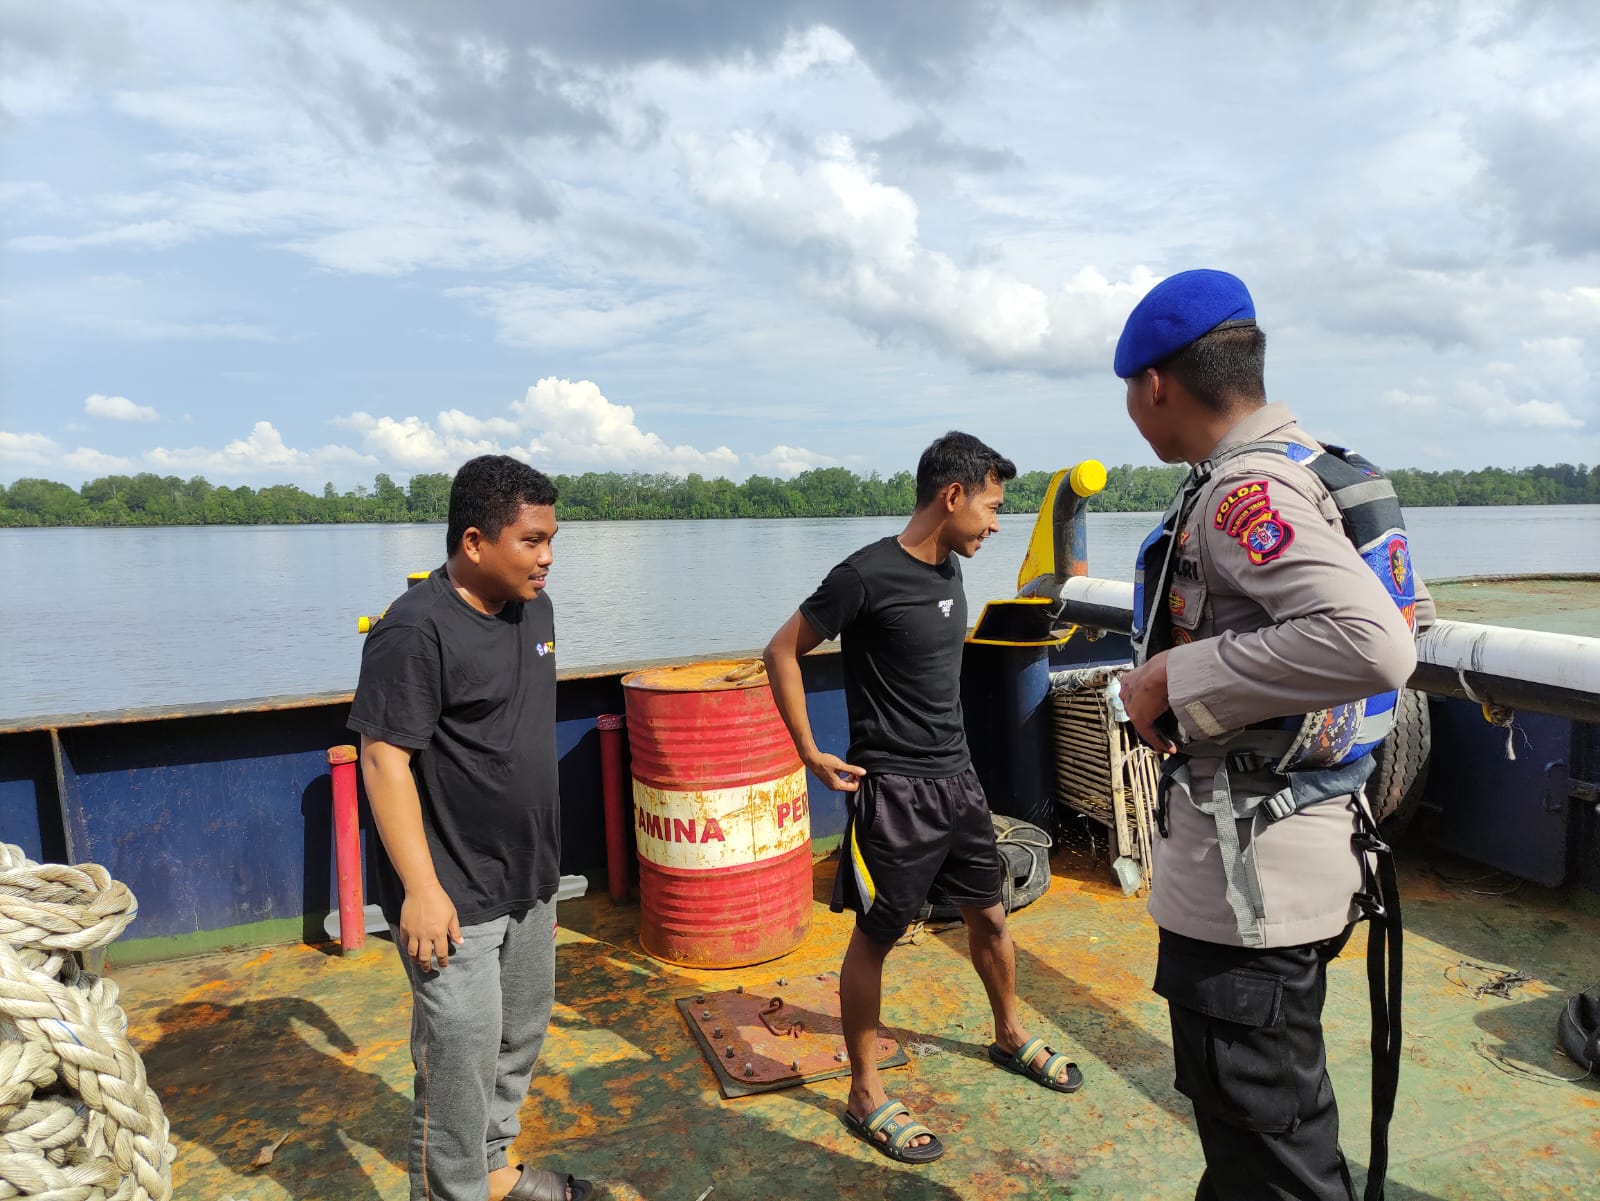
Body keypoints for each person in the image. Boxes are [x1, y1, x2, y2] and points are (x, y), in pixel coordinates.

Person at [1112, 270, 1433, 1201]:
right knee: (1256, 1127)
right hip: (1300, 853)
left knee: (1272, 1150)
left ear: (1156, 386)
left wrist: (1176, 676)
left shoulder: (1241, 496)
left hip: (1247, 889)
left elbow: (1372, 643)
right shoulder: (1320, 467)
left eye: (1130, 392)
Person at [762, 431, 1084, 1167]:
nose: (997, 523)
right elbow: (781, 650)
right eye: (992, 507)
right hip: (895, 796)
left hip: (960, 782)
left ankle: (1008, 1030)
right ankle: (866, 1090)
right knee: (875, 936)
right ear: (952, 496)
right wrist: (811, 751)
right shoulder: (865, 574)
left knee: (992, 915)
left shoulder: (950, 572)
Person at [349, 455, 592, 1201]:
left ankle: (492, 1168)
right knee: (457, 1062)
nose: (547, 555)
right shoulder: (414, 630)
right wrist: (420, 888)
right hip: (453, 892)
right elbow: (384, 758)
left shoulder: (534, 608)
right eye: (531, 540)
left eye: (553, 538)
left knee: (515, 1043)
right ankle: (451, 1190)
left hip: (529, 877)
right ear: (476, 542)